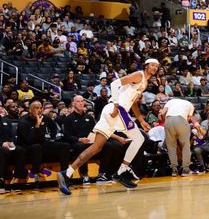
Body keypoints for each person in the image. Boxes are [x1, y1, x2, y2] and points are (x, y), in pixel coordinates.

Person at [57, 58, 160, 195]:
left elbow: (133, 102)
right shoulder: (139, 75)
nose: (154, 67)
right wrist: (117, 106)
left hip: (114, 110)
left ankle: (66, 174)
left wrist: (141, 119)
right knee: (139, 139)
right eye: (152, 65)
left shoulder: (144, 82)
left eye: (157, 66)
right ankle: (122, 171)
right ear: (146, 66)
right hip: (117, 110)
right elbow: (115, 83)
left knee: (96, 147)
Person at [62, 95, 125, 184]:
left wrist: (117, 138)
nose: (80, 103)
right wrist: (79, 139)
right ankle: (84, 175)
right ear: (73, 103)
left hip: (91, 141)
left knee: (109, 145)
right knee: (81, 146)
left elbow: (99, 131)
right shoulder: (68, 118)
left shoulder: (89, 117)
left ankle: (102, 174)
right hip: (78, 142)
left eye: (82, 101)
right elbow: (67, 136)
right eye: (78, 101)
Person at [16, 100, 71, 185]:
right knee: (36, 147)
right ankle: (35, 173)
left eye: (41, 108)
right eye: (36, 108)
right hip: (26, 147)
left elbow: (53, 127)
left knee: (65, 146)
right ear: (30, 110)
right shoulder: (23, 121)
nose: (39, 110)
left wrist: (52, 139)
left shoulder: (44, 117)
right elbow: (29, 140)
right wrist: (37, 125)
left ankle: (64, 174)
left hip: (42, 144)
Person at [160, 97, 195, 176]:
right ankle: (185, 170)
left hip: (168, 120)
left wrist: (165, 122)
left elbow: (162, 113)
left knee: (171, 147)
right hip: (181, 119)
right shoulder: (190, 105)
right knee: (185, 146)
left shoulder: (171, 101)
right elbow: (188, 118)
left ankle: (174, 170)